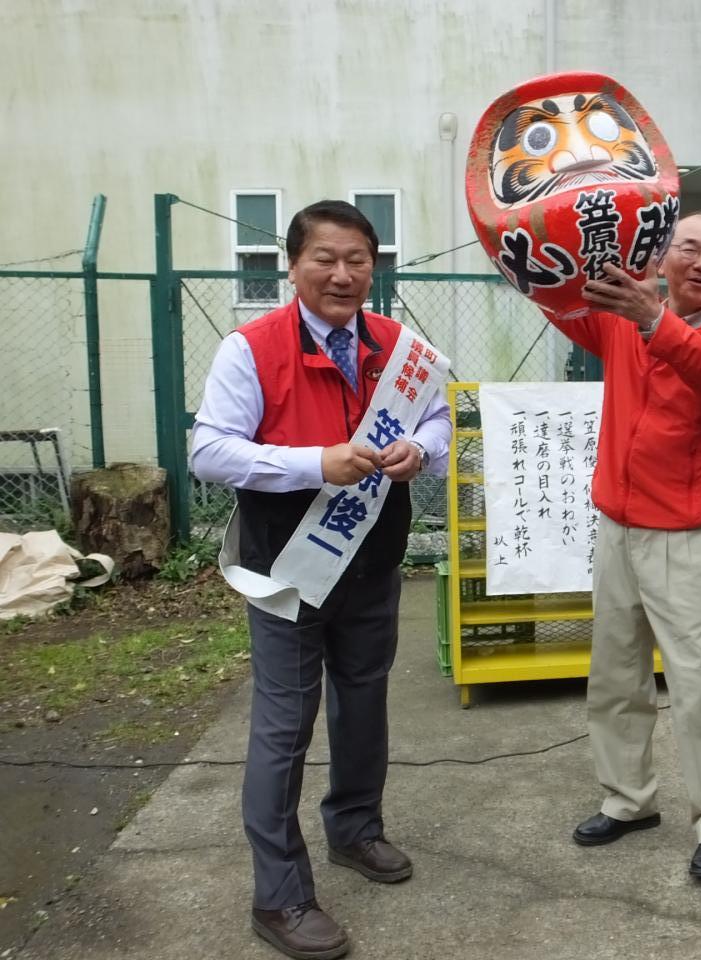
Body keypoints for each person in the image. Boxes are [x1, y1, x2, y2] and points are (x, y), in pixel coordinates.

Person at [190, 200, 451, 960]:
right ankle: (279, 896)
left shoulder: (397, 348)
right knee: (285, 724)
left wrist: (420, 450)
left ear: (374, 266)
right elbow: (210, 450)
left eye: (357, 260)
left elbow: (438, 419)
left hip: (372, 562)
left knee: (364, 702)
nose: (342, 274)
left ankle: (356, 828)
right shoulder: (251, 349)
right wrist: (314, 463)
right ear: (293, 266)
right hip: (287, 572)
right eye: (324, 259)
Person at [545, 212, 701, 879]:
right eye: (688, 247)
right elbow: (560, 301)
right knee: (614, 676)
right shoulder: (619, 320)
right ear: (661, 257)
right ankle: (628, 799)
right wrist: (532, 244)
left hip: (686, 535)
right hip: (617, 526)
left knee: (699, 685)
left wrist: (653, 320)